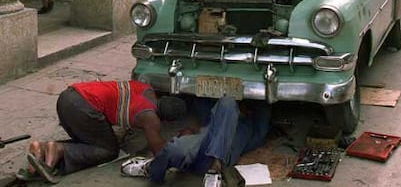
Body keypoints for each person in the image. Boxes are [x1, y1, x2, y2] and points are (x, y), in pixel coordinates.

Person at [17, 80, 187, 184]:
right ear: (165, 120)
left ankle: (41, 149)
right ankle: (57, 149)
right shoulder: (150, 118)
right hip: (83, 107)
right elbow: (160, 153)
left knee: (92, 142)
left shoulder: (146, 89)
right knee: (108, 150)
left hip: (69, 96)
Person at [121, 97, 271, 186]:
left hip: (219, 155)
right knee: (174, 149)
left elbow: (264, 111)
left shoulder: (251, 127)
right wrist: (194, 130)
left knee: (228, 102)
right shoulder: (219, 116)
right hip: (199, 148)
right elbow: (202, 103)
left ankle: (215, 168)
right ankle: (152, 169)